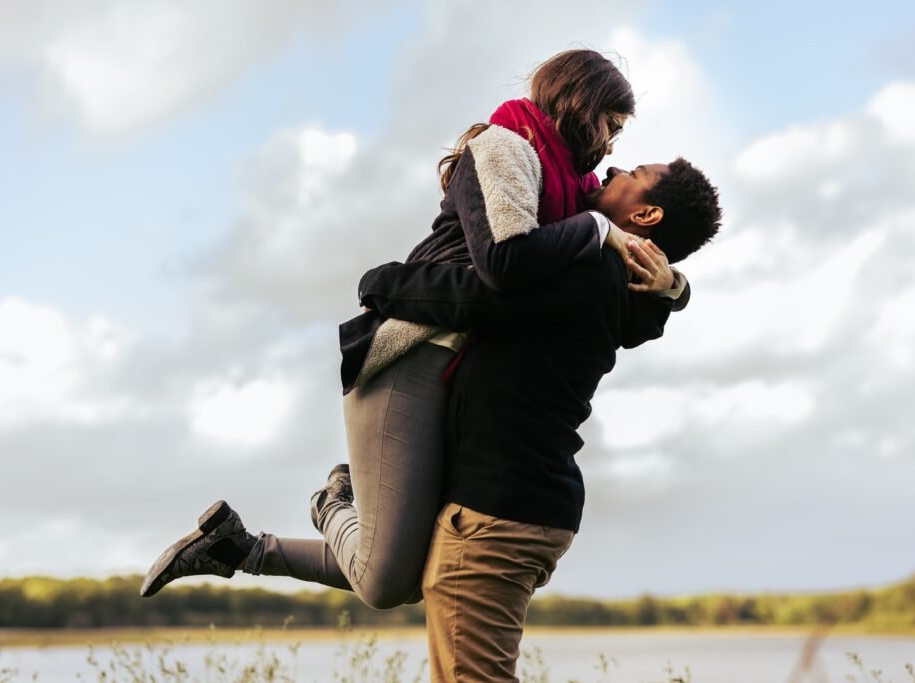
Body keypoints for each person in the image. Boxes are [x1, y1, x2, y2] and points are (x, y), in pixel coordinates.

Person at [139, 50, 670, 608]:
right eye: (610, 126)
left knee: (418, 564)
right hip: (410, 356)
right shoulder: (505, 148)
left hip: (457, 371)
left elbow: (622, 262)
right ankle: (329, 506)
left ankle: (233, 548)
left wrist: (670, 287)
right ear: (581, 106)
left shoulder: (574, 183)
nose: (612, 149)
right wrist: (594, 227)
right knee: (387, 581)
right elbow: (507, 265)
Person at [359, 159, 722, 681]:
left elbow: (474, 299)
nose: (615, 166)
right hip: (523, 506)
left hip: (495, 515)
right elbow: (652, 313)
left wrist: (380, 283)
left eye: (635, 172)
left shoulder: (590, 269)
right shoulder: (624, 284)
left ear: (646, 213)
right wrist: (673, 287)